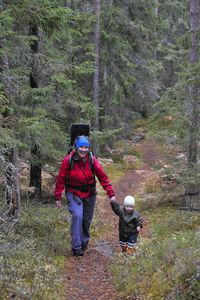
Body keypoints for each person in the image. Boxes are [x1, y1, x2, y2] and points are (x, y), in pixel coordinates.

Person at [55, 136, 116, 257]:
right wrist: (57, 196)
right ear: (76, 148)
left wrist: (111, 193)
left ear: (89, 148)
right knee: (77, 215)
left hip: (90, 193)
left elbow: (102, 177)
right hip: (74, 193)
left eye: (86, 147)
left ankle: (84, 242)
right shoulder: (69, 160)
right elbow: (61, 178)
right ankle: (76, 247)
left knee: (86, 219)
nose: (83, 150)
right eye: (81, 147)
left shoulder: (92, 160)